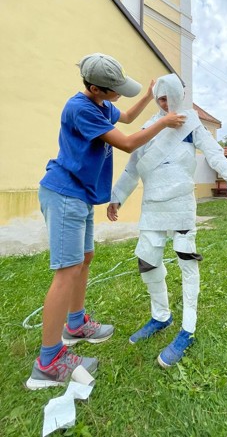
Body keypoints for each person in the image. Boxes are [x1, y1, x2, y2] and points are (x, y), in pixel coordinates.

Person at [26, 54, 185, 390]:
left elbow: (125, 117)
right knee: (67, 269)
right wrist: (164, 121)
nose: (120, 96)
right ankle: (48, 361)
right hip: (64, 194)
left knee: (84, 259)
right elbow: (127, 142)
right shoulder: (80, 109)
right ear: (95, 88)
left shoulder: (100, 105)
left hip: (79, 195)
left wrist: (146, 96)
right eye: (116, 91)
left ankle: (75, 324)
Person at [107, 74, 227, 367]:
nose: (167, 103)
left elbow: (213, 154)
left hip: (181, 204)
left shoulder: (191, 123)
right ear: (157, 97)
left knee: (187, 261)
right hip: (152, 207)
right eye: (162, 98)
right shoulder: (148, 127)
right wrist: (117, 196)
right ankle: (161, 315)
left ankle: (188, 328)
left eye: (172, 97)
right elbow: (133, 168)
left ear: (182, 96)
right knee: (147, 261)